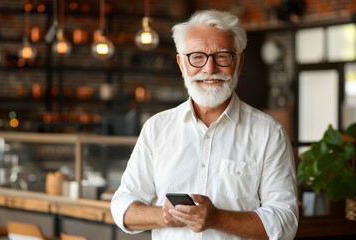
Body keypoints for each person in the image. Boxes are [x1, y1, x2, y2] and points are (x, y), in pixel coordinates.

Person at [111, 9, 299, 240]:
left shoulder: (269, 133)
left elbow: (285, 221)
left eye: (222, 56)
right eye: (197, 57)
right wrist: (164, 216)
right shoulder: (156, 128)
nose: (209, 69)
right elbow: (122, 205)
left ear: (239, 62)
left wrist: (217, 218)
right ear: (181, 64)